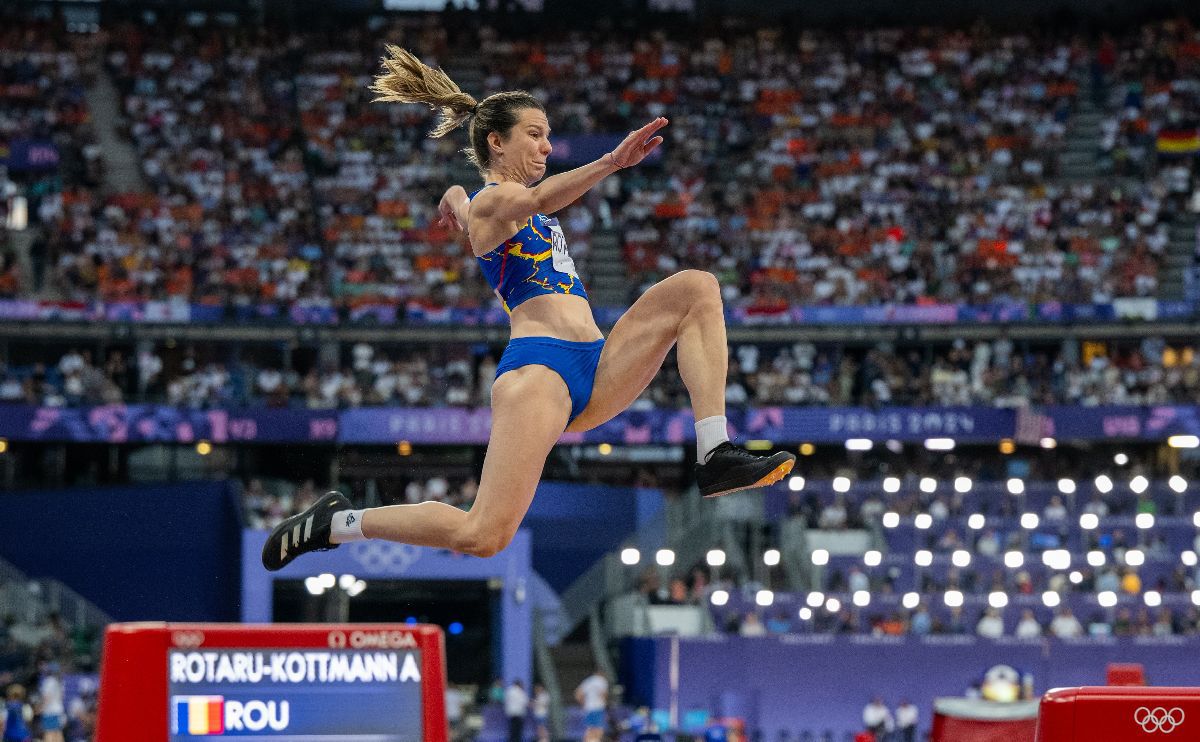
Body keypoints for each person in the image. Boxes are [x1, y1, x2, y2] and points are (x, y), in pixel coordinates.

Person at [262, 46, 795, 571]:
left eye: (547, 134)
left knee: (697, 288)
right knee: (483, 536)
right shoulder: (498, 201)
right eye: (534, 135)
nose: (547, 146)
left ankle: (714, 451)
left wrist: (453, 196)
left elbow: (478, 212)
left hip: (597, 361)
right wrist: (611, 161)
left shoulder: (486, 206)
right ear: (496, 142)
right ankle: (339, 523)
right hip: (539, 373)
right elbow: (528, 203)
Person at [576, 669, 609, 742]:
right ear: (602, 674)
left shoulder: (587, 681)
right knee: (598, 729)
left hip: (588, 708)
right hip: (598, 707)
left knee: (589, 729)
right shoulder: (602, 680)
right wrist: (605, 704)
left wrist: (584, 704)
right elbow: (603, 694)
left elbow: (578, 694)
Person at [37, 662, 65, 742]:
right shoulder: (60, 682)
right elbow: (62, 697)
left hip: (50, 711)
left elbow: (47, 698)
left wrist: (41, 708)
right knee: (58, 733)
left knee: (48, 733)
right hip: (59, 710)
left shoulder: (48, 681)